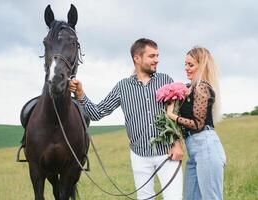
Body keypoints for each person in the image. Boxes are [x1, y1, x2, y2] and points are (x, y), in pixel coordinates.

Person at [70, 38, 183, 200]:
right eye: (152, 56)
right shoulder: (122, 87)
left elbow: (176, 113)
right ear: (137, 58)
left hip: (167, 153)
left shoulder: (165, 80)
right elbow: (97, 113)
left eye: (157, 56)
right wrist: (80, 94)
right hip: (139, 156)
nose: (157, 60)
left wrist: (177, 143)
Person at [166, 46, 226, 200]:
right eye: (185, 64)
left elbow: (198, 124)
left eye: (190, 65)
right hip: (194, 151)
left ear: (202, 66)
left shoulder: (202, 88)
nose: (186, 68)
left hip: (206, 147)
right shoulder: (189, 88)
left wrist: (172, 116)